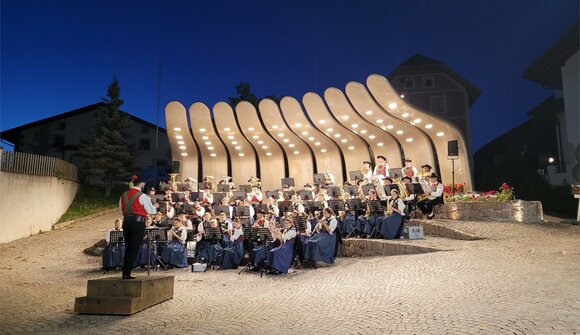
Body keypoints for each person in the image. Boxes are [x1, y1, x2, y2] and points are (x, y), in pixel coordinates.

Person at [119, 176, 157, 279]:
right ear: (140, 184)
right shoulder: (143, 196)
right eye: (143, 184)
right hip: (138, 223)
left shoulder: (123, 195)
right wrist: (155, 206)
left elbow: (121, 210)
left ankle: (125, 272)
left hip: (126, 223)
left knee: (128, 248)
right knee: (134, 248)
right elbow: (151, 211)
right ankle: (127, 273)